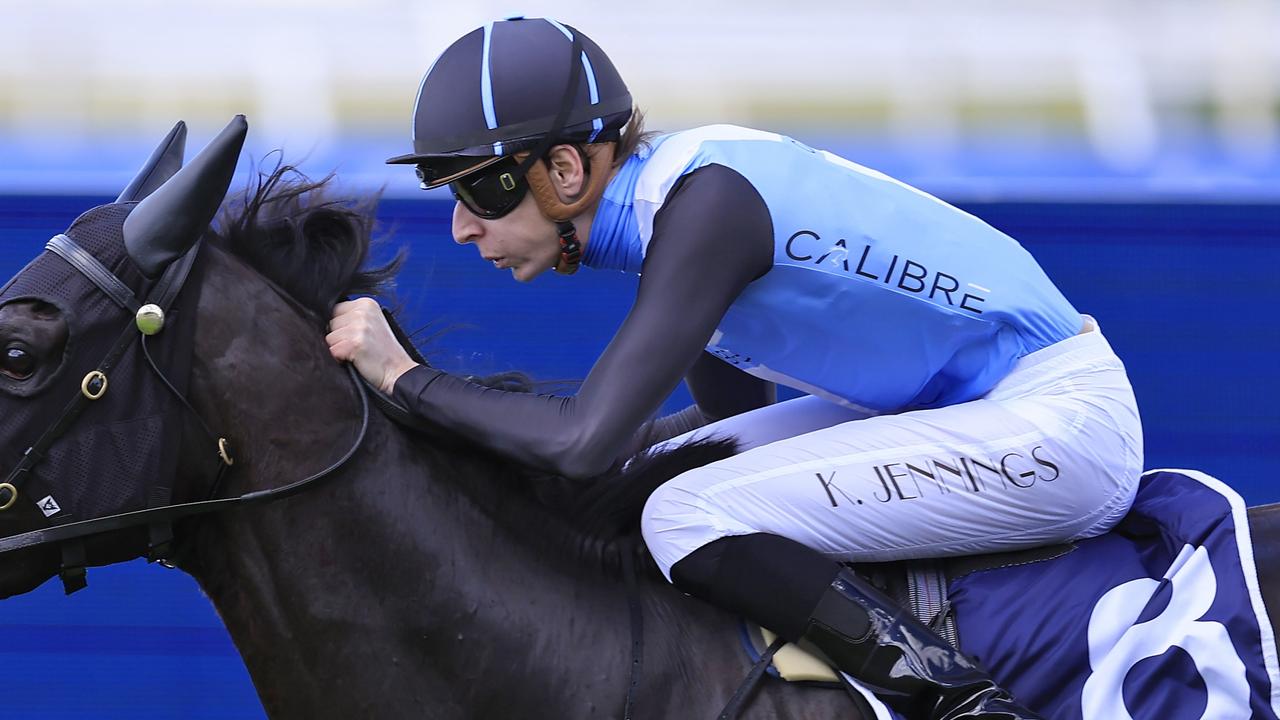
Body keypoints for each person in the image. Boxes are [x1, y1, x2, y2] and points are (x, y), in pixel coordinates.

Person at [326, 16, 1142, 719]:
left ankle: (960, 702)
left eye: (482, 193)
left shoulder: (704, 207)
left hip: (1059, 423)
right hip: (969, 409)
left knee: (681, 516)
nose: (466, 230)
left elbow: (582, 443)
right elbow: (710, 431)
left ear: (566, 170)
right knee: (662, 477)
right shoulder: (676, 203)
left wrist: (404, 378)